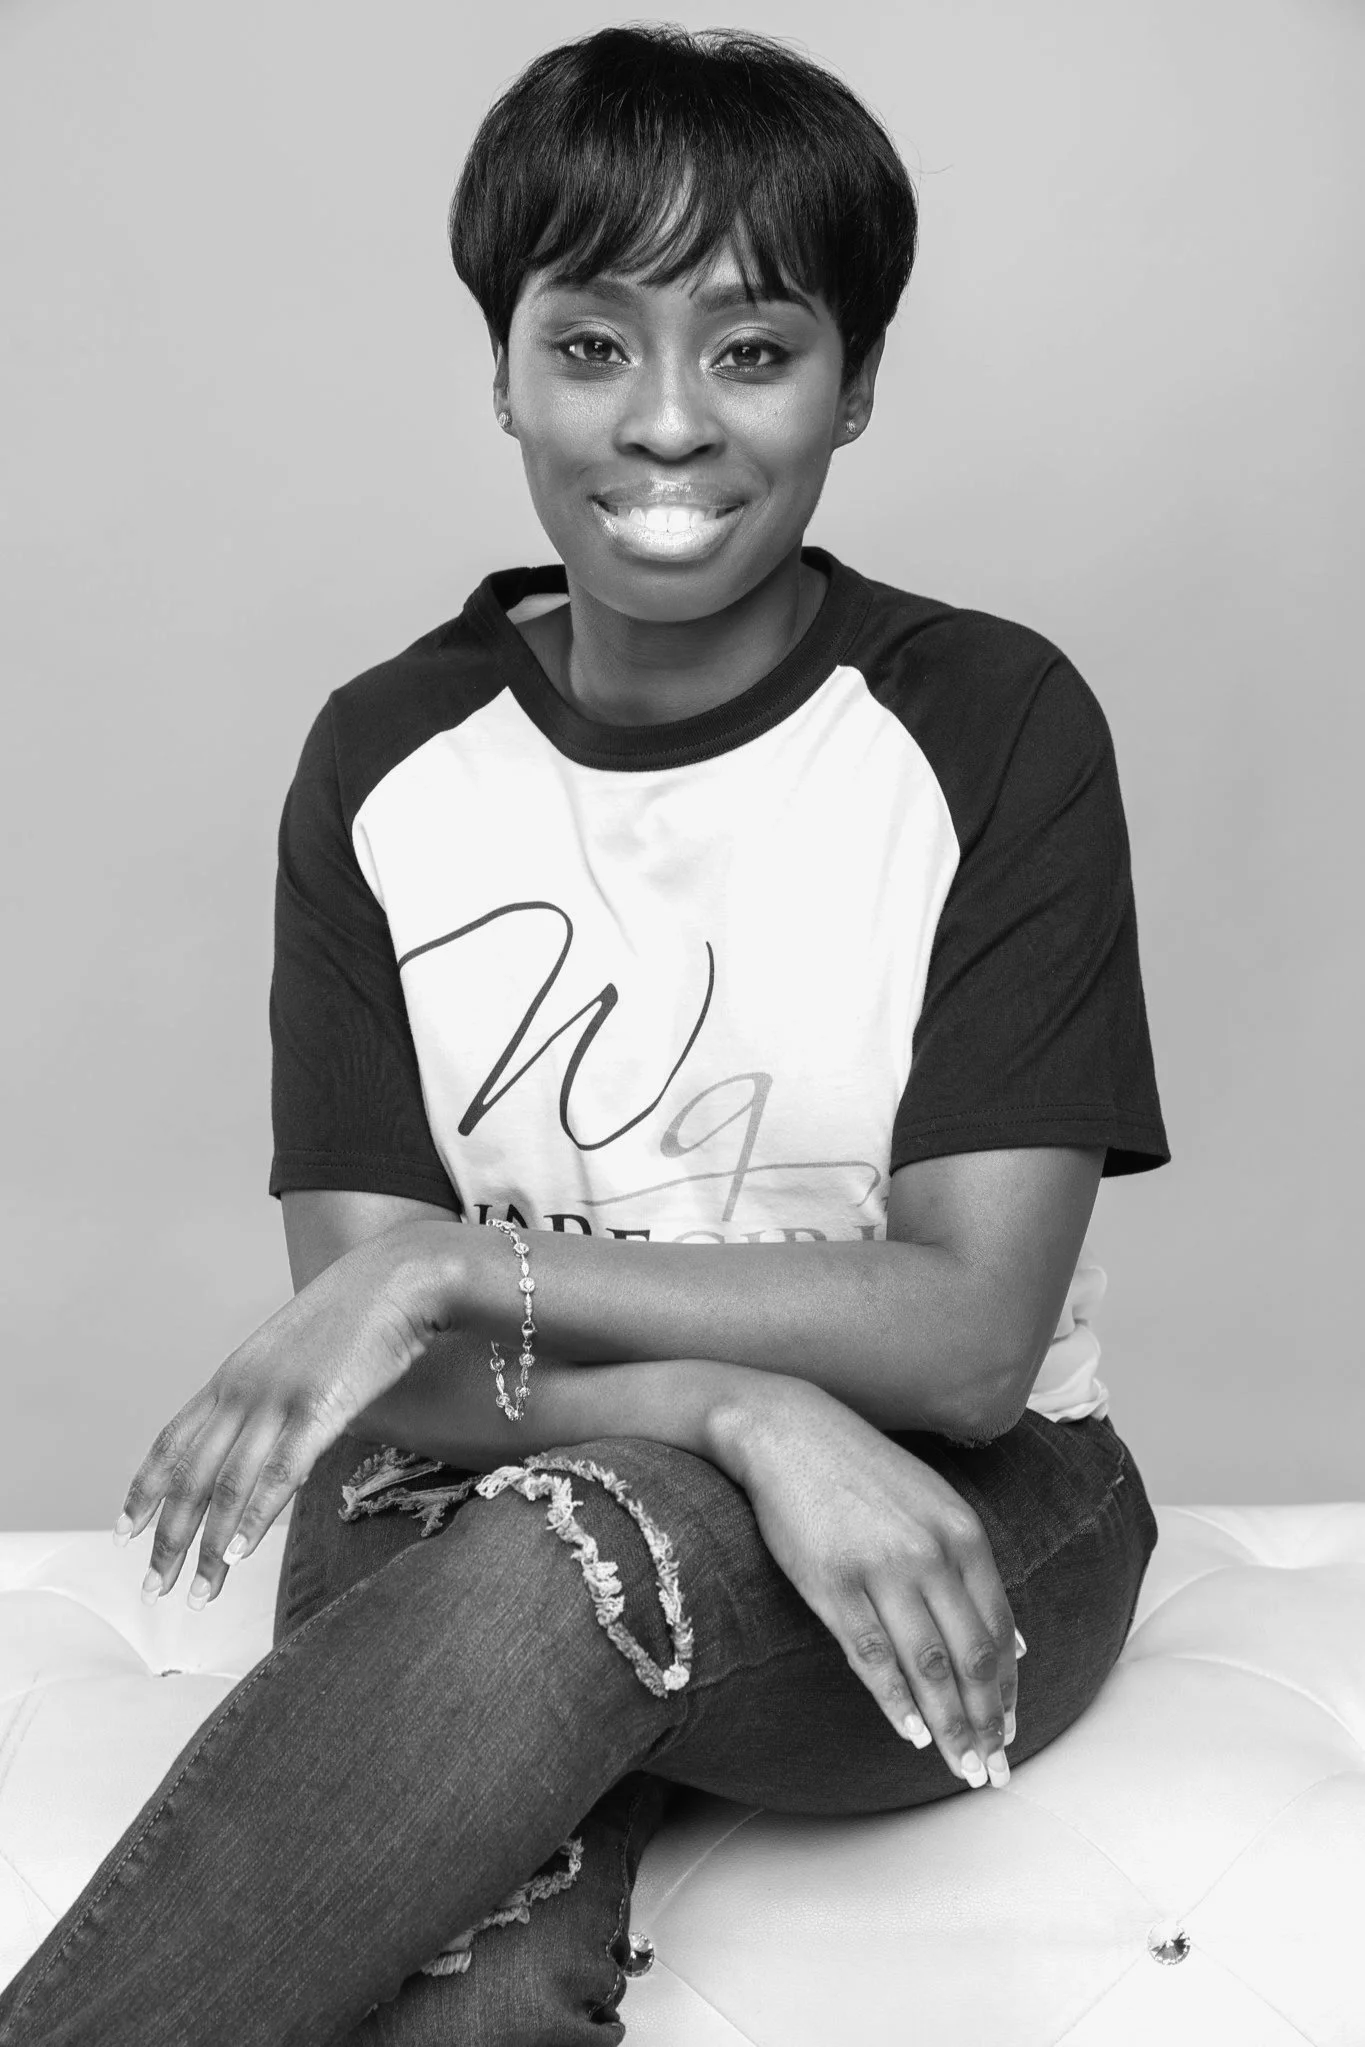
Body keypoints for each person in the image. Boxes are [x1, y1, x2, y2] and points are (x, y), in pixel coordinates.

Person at [0, 25, 1169, 2047]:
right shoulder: (387, 760)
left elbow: (974, 1337)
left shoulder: (990, 725)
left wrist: (467, 1260)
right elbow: (402, 1390)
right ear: (503, 369)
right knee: (478, 1965)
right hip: (489, 1482)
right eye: (591, 342)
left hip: (964, 1510)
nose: (662, 428)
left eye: (751, 348)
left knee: (570, 1565)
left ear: (855, 382)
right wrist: (737, 1407)